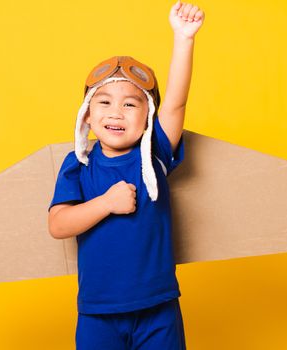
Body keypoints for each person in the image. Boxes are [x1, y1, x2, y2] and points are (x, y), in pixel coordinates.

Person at [48, 1, 205, 348]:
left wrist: (183, 38)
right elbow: (58, 225)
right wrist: (106, 203)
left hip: (158, 308)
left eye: (130, 104)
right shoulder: (79, 163)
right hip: (97, 312)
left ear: (147, 117)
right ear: (87, 116)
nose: (116, 112)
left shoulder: (155, 154)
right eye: (104, 102)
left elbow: (176, 103)